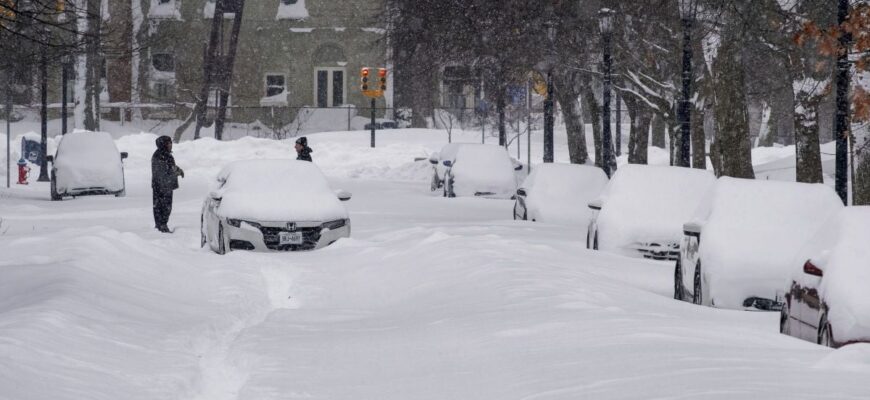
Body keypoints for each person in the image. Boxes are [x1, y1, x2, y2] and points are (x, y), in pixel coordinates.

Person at [151, 136, 184, 233]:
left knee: (163, 206)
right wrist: (177, 171)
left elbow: (170, 167)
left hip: (162, 186)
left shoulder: (163, 154)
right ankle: (162, 225)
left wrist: (178, 170)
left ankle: (161, 225)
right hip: (162, 187)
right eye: (168, 143)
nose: (170, 145)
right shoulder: (161, 156)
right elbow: (166, 170)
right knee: (163, 207)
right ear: (163, 144)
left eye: (171, 143)